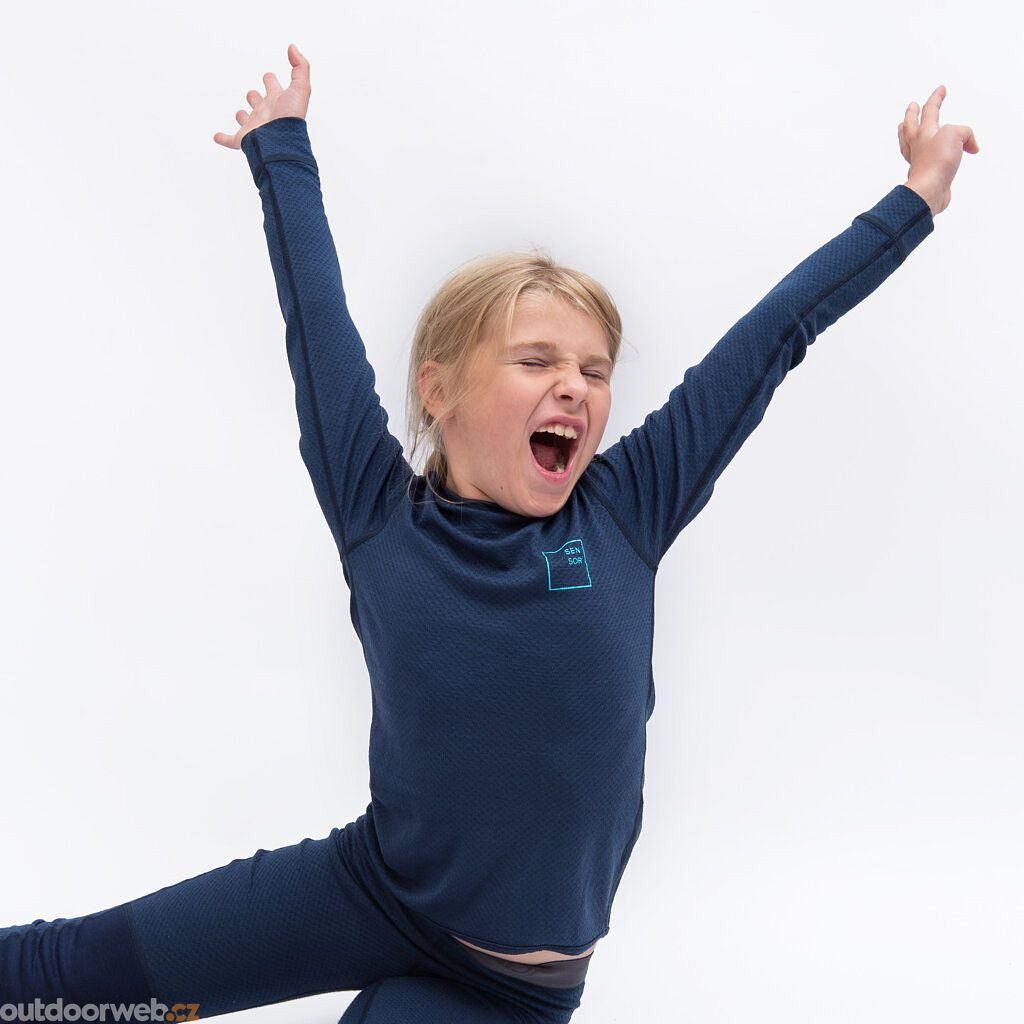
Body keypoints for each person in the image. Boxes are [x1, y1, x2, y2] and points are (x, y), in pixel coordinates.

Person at [1, 42, 978, 1024]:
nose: (574, 386)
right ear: (440, 390)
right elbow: (316, 324)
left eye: (593, 370)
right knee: (67, 982)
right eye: (537, 360)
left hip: (514, 986)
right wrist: (282, 148)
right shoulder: (380, 514)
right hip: (370, 891)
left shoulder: (628, 505)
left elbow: (773, 335)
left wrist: (915, 198)